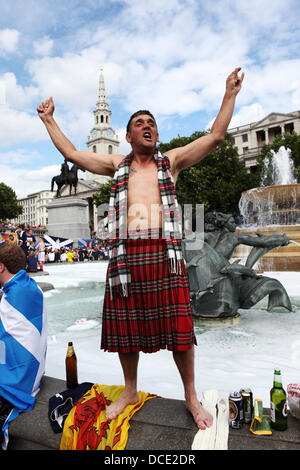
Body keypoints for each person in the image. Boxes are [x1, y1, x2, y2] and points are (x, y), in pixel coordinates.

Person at [37, 67, 244, 430]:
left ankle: (191, 397)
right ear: (129, 135)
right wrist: (48, 119)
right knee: (125, 329)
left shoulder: (172, 161)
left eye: (152, 122)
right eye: (140, 123)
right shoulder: (116, 165)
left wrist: (229, 93)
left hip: (165, 255)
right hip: (126, 257)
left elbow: (215, 136)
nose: (148, 126)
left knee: (180, 330)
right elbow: (70, 151)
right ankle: (130, 390)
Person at [0, 244, 47, 449]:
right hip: (34, 374)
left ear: (1, 267)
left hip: (17, 384)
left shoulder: (11, 299)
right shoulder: (30, 286)